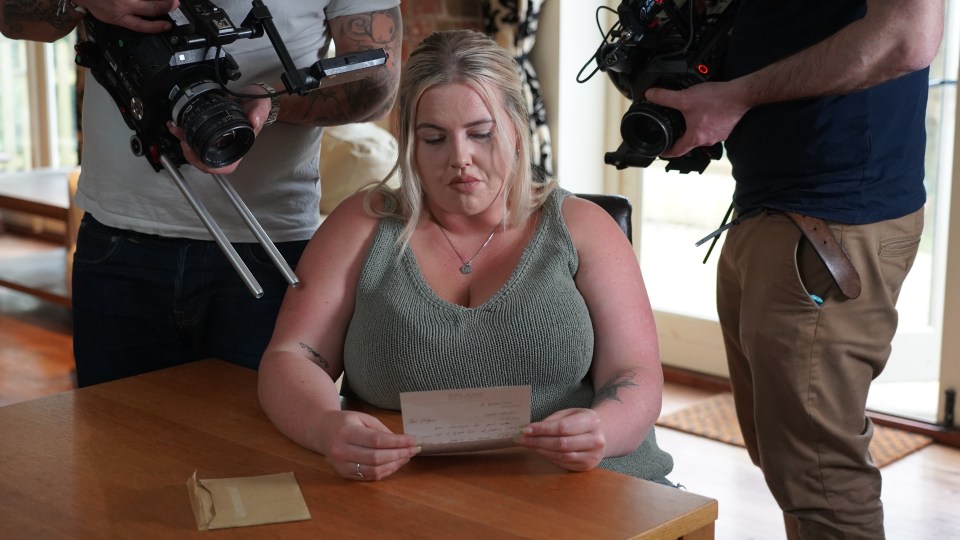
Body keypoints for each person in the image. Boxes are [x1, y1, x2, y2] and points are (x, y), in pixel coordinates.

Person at [258, 29, 674, 484]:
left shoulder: (583, 226)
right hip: (405, 492)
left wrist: (605, 429)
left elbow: (635, 373)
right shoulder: (361, 224)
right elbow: (291, 357)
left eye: (480, 133)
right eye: (434, 139)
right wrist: (324, 426)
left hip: (586, 483)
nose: (460, 158)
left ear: (516, 129)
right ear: (410, 142)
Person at [643, 1, 944, 538]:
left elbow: (908, 36)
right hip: (775, 206)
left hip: (830, 220)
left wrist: (735, 95)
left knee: (820, 479)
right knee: (787, 459)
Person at [0, 0, 403, 387]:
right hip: (118, 242)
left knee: (257, 448)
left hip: (271, 246)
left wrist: (265, 101)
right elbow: (11, 16)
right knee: (113, 437)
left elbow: (377, 83)